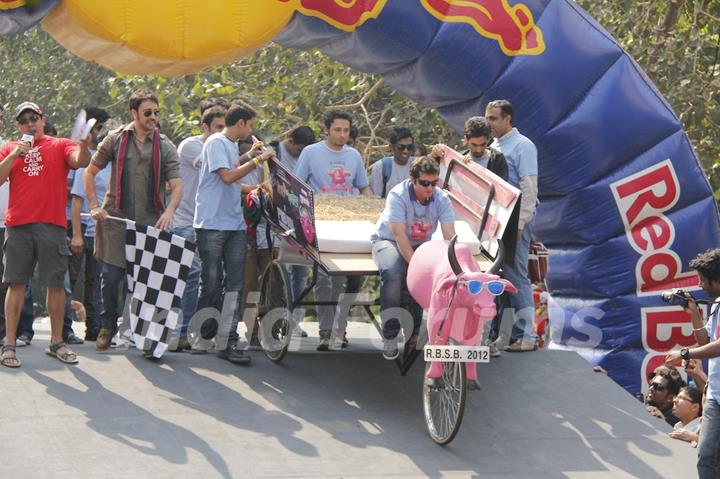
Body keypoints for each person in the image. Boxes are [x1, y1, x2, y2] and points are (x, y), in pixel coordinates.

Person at [84, 91, 182, 357]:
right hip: (115, 219)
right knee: (110, 278)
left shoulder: (165, 145)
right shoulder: (115, 139)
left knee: (147, 283)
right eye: (148, 112)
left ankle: (149, 340)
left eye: (156, 112)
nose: (153, 117)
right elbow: (89, 172)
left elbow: (177, 185)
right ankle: (107, 326)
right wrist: (94, 206)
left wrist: (170, 210)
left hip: (151, 222)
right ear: (134, 113)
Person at [0, 101, 92, 368]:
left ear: (43, 119)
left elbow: (79, 160)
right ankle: (9, 344)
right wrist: (14, 155)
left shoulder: (61, 144)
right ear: (18, 126)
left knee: (55, 285)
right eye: (24, 120)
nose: (30, 123)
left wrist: (85, 147)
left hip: (52, 226)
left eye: (34, 118)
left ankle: (56, 343)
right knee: (15, 284)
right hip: (18, 225)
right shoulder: (10, 148)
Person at [194, 101, 271, 365]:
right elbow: (227, 177)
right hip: (212, 223)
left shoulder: (228, 146)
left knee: (235, 284)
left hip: (234, 224)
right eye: (250, 125)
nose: (251, 131)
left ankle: (226, 340)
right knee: (212, 281)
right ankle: (204, 334)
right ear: (241, 123)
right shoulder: (216, 142)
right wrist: (258, 159)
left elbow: (232, 167)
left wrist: (251, 156)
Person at [294, 109, 372, 350]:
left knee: (343, 277)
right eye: (337, 130)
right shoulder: (310, 152)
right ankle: (325, 330)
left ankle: (338, 328)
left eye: (346, 131)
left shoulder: (354, 155)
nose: (342, 135)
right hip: (321, 220)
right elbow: (297, 186)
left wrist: (373, 206)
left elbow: (363, 188)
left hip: (348, 221)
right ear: (327, 129)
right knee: (324, 277)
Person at [371, 156, 456, 361]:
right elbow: (399, 235)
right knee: (393, 273)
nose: (430, 188)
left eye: (434, 183)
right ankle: (390, 334)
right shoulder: (398, 195)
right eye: (424, 183)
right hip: (389, 240)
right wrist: (417, 265)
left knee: (429, 276)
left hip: (421, 245)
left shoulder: (442, 199)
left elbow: (450, 236)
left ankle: (415, 332)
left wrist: (454, 266)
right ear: (413, 180)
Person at [169, 105, 226, 351]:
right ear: (205, 127)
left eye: (226, 128)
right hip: (184, 221)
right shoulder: (191, 145)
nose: (222, 133)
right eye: (218, 128)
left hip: (210, 224)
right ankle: (180, 333)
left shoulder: (226, 147)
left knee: (213, 279)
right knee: (191, 276)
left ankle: (201, 333)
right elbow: (215, 167)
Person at [485, 99, 539, 352]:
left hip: (515, 221)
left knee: (517, 274)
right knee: (499, 277)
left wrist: (521, 222)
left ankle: (528, 336)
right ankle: (505, 335)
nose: (489, 123)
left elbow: (529, 187)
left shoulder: (522, 145)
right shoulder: (493, 145)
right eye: (488, 118)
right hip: (497, 221)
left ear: (508, 119)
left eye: (494, 118)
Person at [665, 248, 720, 478]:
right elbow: (706, 341)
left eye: (703, 280)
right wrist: (694, 314)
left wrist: (685, 353)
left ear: (717, 281)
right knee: (706, 458)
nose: (700, 285)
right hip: (716, 398)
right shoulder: (717, 304)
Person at [268, 125, 315, 337]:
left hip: (302, 223)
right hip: (280, 222)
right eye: (299, 150)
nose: (301, 154)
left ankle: (295, 322)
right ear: (290, 141)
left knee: (301, 275)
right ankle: (279, 319)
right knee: (282, 274)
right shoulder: (274, 150)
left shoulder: (309, 156)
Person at [69, 107, 111, 342]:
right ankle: (63, 328)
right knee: (70, 279)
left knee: (95, 281)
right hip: (83, 229)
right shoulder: (87, 160)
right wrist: (76, 234)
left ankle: (94, 329)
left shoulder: (112, 163)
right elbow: (77, 201)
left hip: (103, 232)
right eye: (98, 128)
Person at [369, 126, 415, 198]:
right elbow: (376, 198)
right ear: (391, 147)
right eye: (401, 147)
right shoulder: (381, 167)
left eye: (409, 147)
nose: (405, 151)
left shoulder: (418, 165)